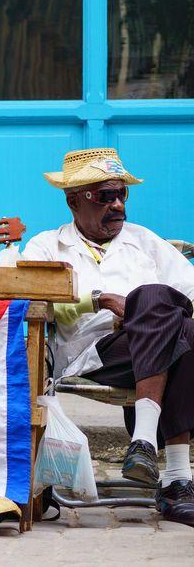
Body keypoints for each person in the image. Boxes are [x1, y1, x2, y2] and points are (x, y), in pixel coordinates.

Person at [22, 148, 194, 526]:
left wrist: (146, 312)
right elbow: (36, 301)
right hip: (91, 354)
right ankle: (177, 479)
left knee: (172, 318)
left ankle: (147, 447)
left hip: (151, 347)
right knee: (152, 299)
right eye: (104, 196)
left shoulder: (144, 240)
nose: (117, 205)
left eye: (121, 195)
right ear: (73, 200)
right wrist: (97, 300)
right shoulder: (47, 245)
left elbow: (189, 291)